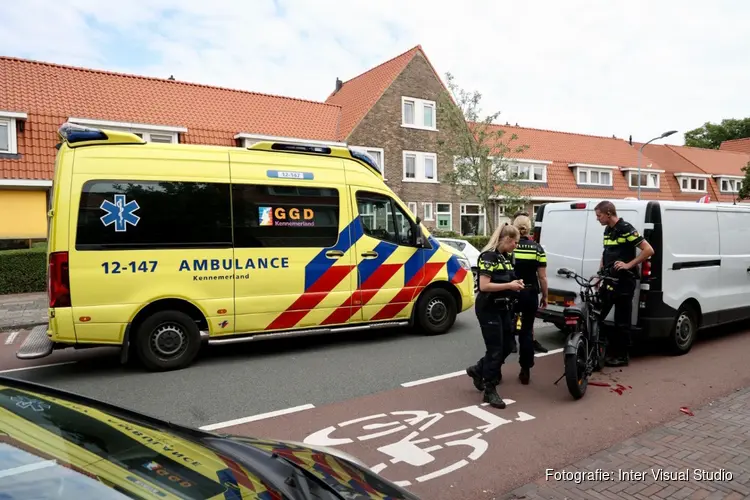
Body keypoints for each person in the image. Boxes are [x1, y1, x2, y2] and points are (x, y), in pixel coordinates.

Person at [465, 224, 525, 409]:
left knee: (508, 346)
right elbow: (484, 286)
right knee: (495, 349)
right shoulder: (488, 257)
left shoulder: (506, 258)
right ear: (506, 240)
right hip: (489, 308)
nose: (516, 246)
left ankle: (478, 369)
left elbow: (509, 279)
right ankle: (489, 390)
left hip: (504, 308)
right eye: (515, 242)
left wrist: (517, 283)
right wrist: (509, 286)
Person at [594, 200, 655, 367]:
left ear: (608, 214)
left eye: (599, 216)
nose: (597, 219)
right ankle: (599, 350)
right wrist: (601, 273)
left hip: (623, 282)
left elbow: (649, 250)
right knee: (597, 313)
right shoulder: (608, 230)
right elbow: (606, 252)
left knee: (622, 320)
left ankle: (622, 356)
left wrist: (628, 265)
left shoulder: (626, 229)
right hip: (609, 279)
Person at [510, 215, 548, 384]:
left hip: (511, 292)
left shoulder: (511, 247)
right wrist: (545, 296)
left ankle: (495, 370)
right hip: (530, 292)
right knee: (526, 330)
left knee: (506, 327)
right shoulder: (537, 249)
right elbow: (543, 277)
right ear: (529, 228)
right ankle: (525, 370)